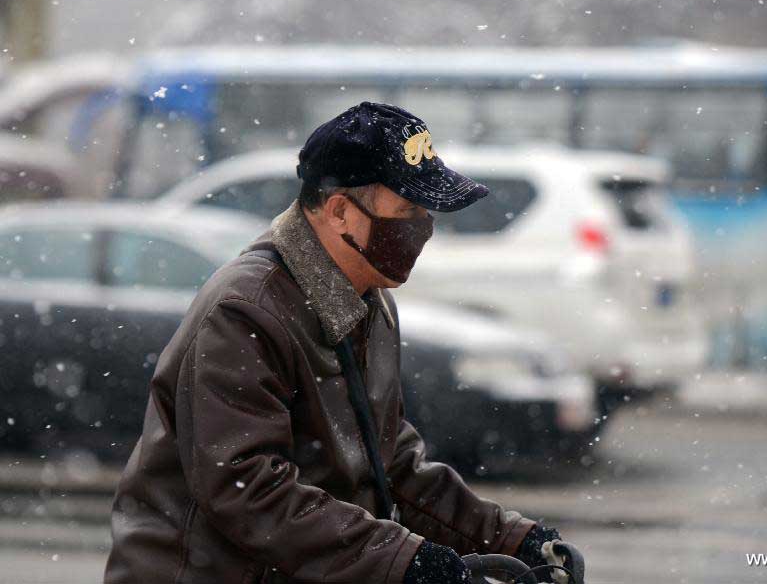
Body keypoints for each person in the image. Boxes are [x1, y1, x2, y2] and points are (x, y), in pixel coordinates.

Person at [103, 102, 562, 584]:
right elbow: (248, 491)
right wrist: (406, 562)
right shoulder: (246, 310)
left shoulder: (371, 300)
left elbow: (392, 468)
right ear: (340, 211)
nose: (422, 227)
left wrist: (518, 541)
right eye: (407, 210)